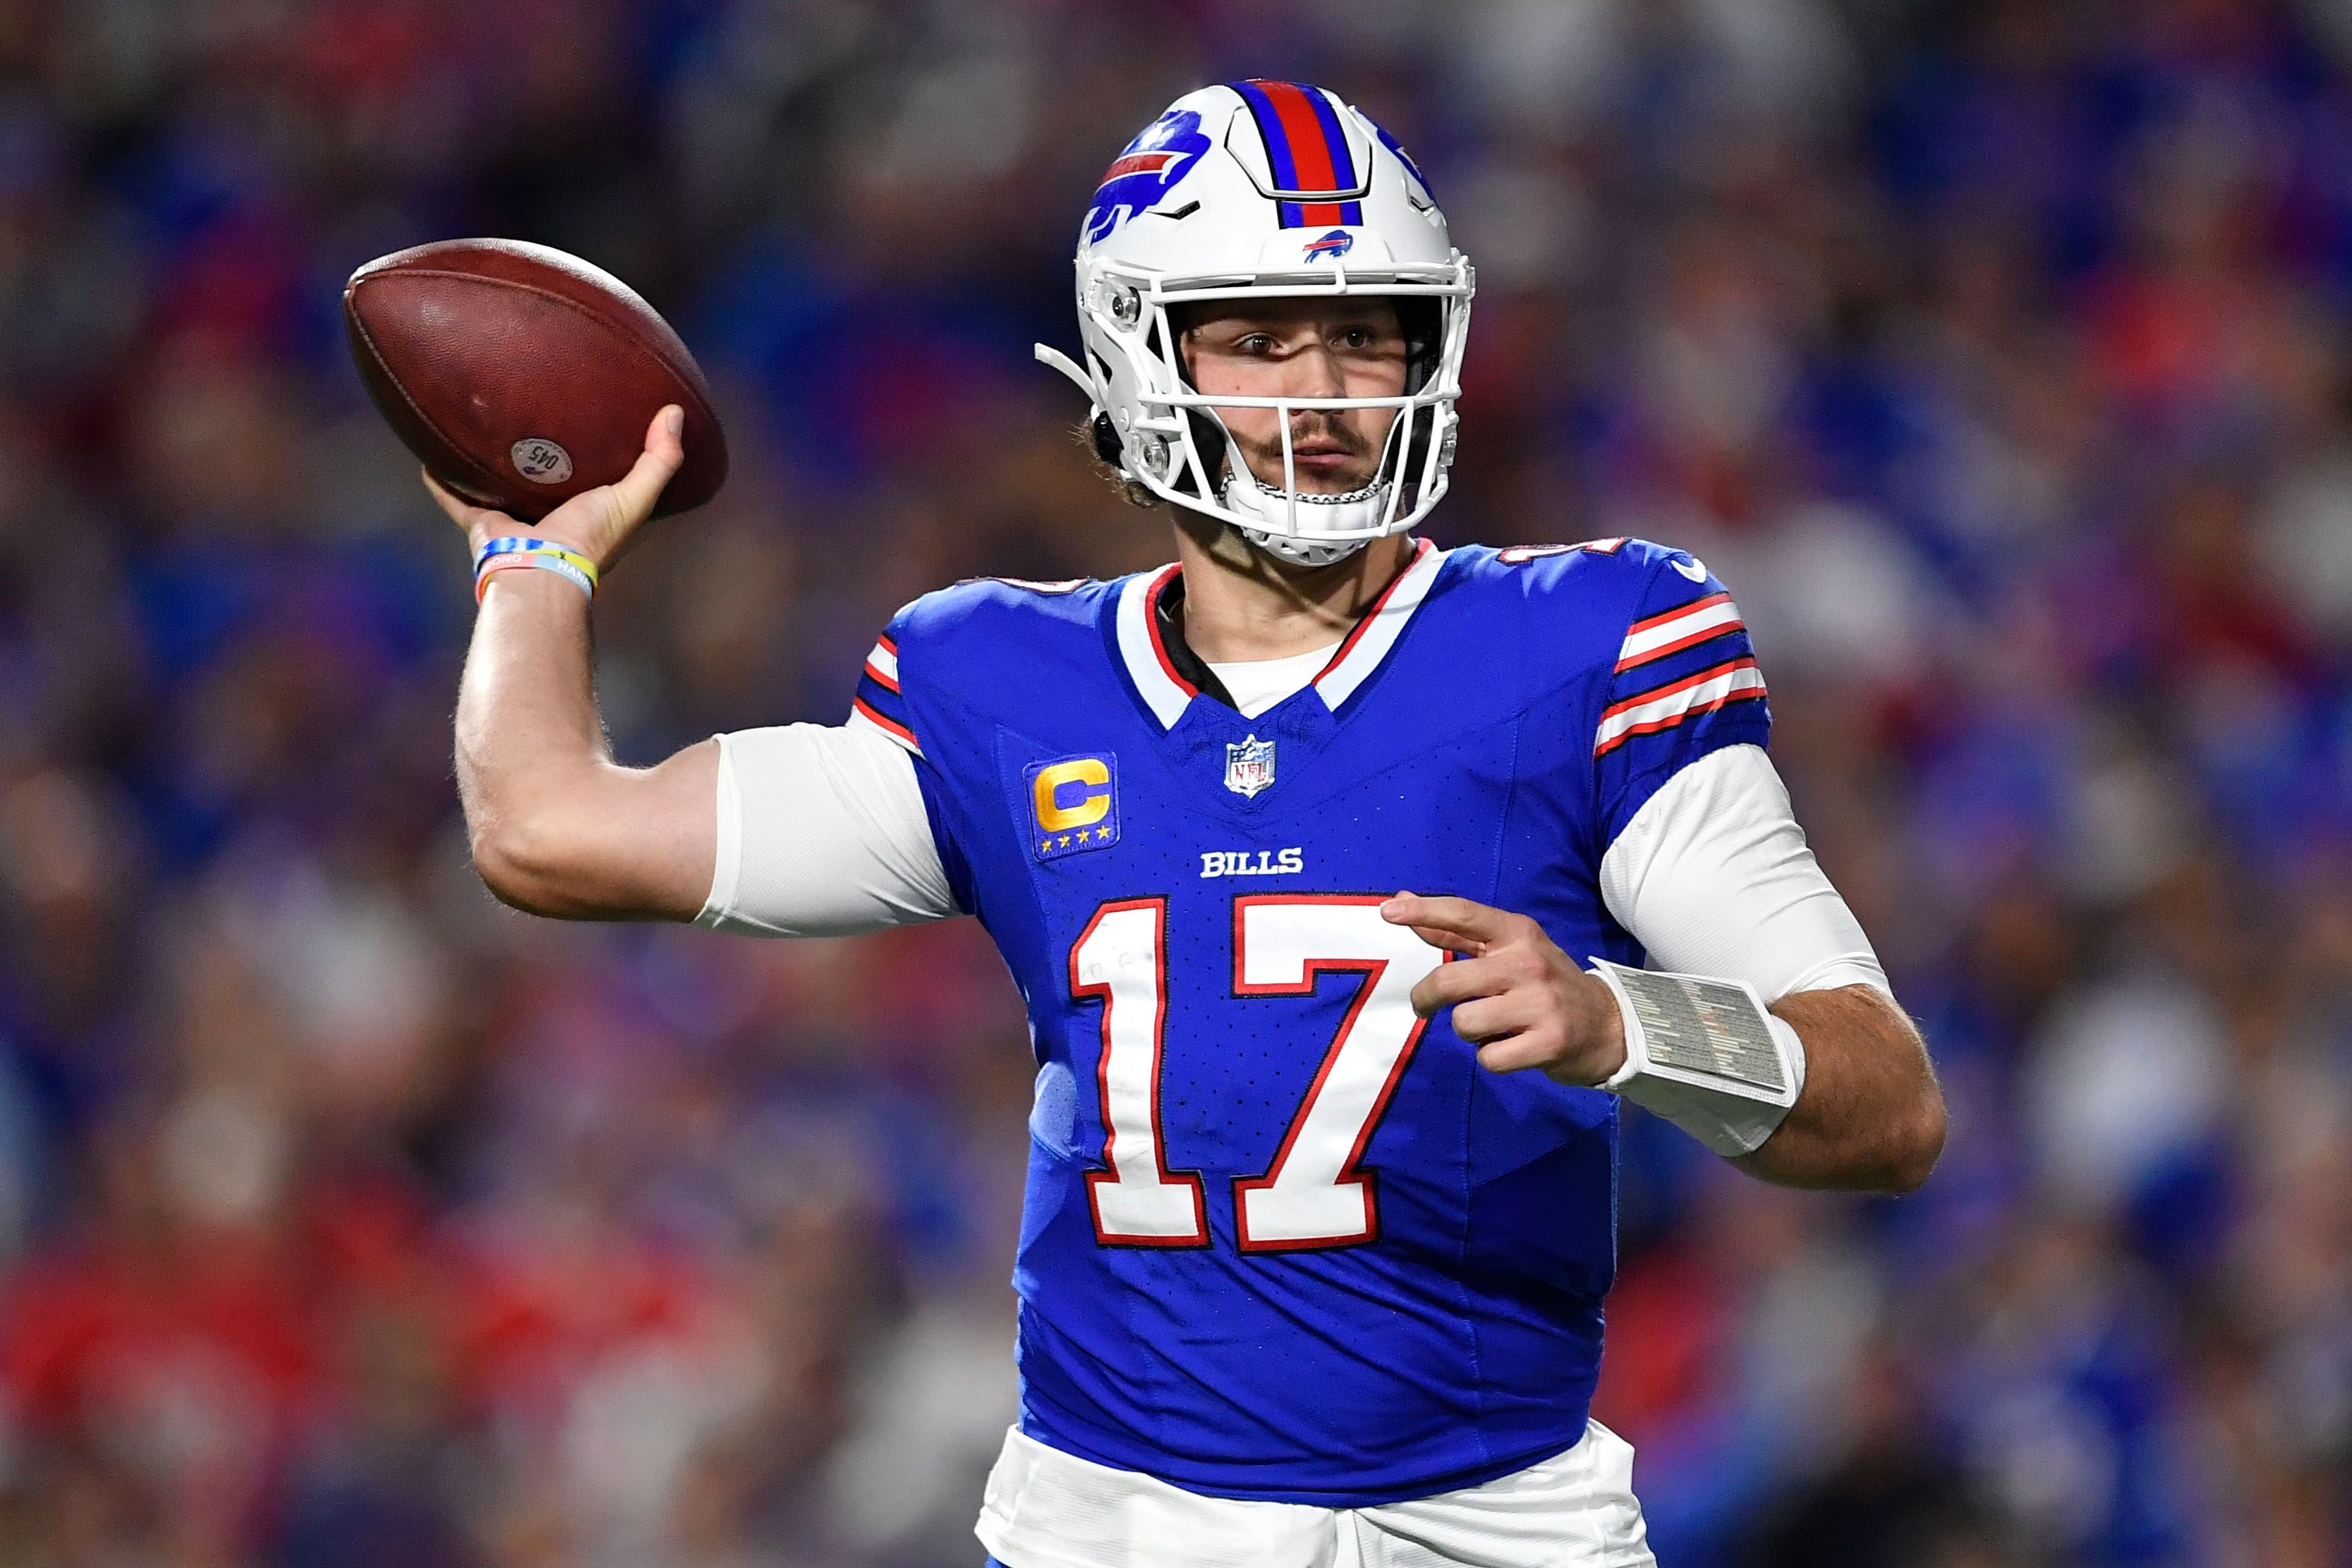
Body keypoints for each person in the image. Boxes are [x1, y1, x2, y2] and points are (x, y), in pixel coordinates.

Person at [430, 80, 1944, 1568]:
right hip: (1121, 1526)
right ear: (1135, 360)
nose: (1327, 389)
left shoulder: (1591, 644)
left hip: (1492, 1521)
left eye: (1366, 334)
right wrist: (531, 568)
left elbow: (1885, 1102)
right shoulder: (996, 683)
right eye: (1258, 335)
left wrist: (1624, 1021)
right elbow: (547, 830)